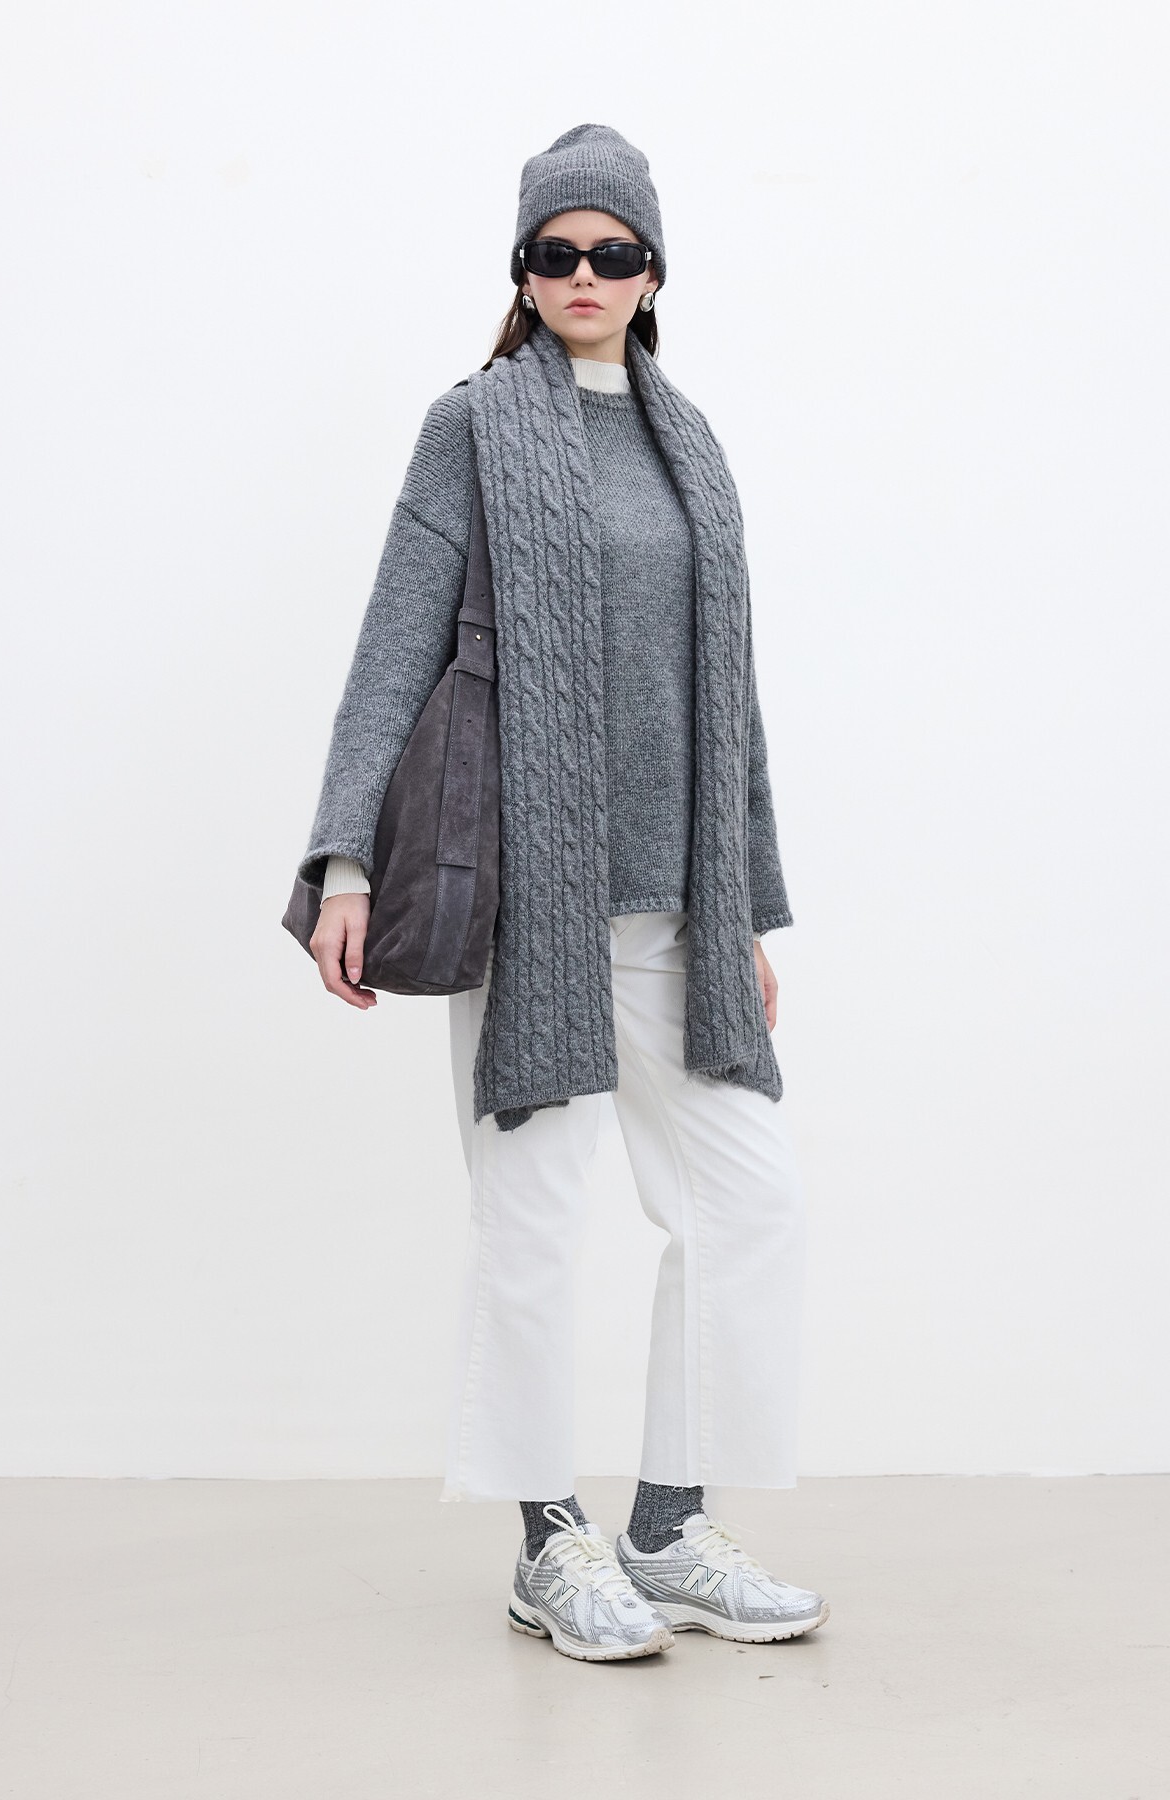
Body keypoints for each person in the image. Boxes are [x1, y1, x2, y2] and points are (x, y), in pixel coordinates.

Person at [295, 124, 830, 1662]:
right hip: (527, 903)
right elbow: (395, 646)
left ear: (653, 272)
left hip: (678, 905)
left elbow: (727, 695)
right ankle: (549, 1544)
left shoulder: (691, 443)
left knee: (748, 1201)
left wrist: (744, 907)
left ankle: (667, 1526)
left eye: (612, 252)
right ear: (523, 273)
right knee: (533, 1226)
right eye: (555, 252)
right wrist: (344, 862)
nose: (584, 274)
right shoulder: (470, 428)